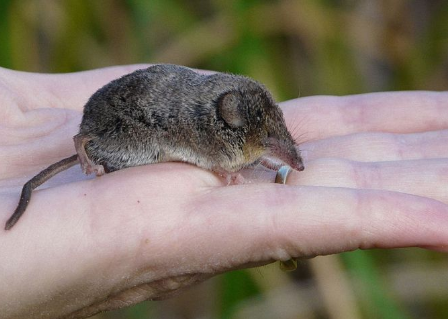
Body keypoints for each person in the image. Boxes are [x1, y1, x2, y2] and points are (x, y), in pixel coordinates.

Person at [0, 65, 447, 319]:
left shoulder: (229, 119)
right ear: (226, 126)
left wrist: (263, 157)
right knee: (129, 156)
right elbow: (211, 151)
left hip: (139, 106)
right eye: (269, 143)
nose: (286, 152)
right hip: (126, 122)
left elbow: (241, 150)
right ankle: (88, 148)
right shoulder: (204, 129)